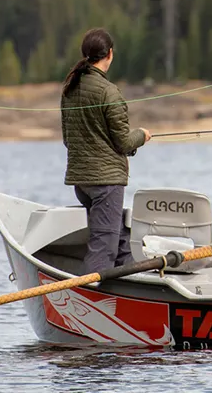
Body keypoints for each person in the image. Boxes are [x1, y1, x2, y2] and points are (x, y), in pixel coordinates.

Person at [60, 27, 152, 274]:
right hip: (105, 184)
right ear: (110, 54)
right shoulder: (108, 91)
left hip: (83, 183)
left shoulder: (70, 88)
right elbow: (123, 142)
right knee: (104, 247)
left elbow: (68, 139)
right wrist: (142, 136)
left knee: (120, 240)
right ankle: (91, 296)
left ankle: (136, 283)